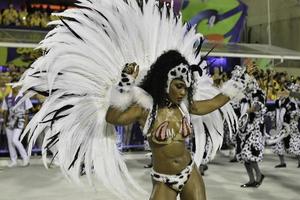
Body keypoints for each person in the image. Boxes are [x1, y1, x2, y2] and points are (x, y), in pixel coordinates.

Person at [106, 50, 243, 200]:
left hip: (189, 172)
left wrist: (239, 81)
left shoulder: (184, 107)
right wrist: (125, 83)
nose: (183, 92)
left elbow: (214, 103)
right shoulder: (146, 109)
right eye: (178, 86)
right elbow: (113, 117)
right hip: (164, 180)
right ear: (165, 82)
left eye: (186, 88)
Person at [235, 65, 267, 188]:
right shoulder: (243, 96)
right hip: (244, 129)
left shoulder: (258, 93)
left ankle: (259, 176)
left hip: (255, 129)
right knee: (244, 155)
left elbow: (259, 107)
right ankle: (251, 179)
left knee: (250, 154)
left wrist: (249, 110)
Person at [1, 84, 32, 167]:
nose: (15, 87)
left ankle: (25, 158)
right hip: (9, 122)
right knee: (10, 142)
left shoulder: (24, 96)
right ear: (11, 87)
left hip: (20, 121)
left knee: (15, 140)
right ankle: (14, 160)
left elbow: (27, 112)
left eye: (17, 86)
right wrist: (4, 122)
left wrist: (26, 124)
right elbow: (5, 111)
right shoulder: (7, 97)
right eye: (13, 86)